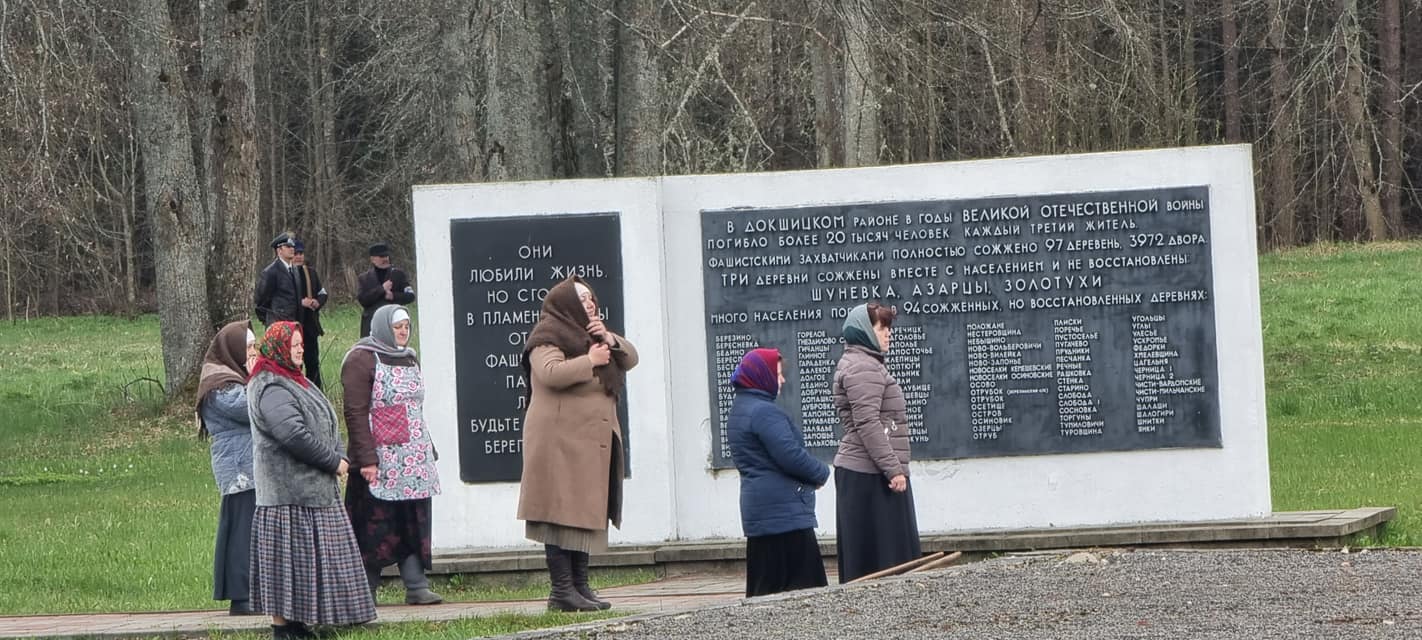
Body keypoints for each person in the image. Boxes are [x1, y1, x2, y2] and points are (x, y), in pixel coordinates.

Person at [517, 276, 638, 612]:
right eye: (581, 297)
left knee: (583, 512)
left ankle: (580, 587)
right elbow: (550, 373)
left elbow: (631, 358)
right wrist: (591, 361)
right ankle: (562, 591)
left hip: (587, 441)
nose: (589, 303)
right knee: (559, 515)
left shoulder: (594, 337)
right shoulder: (547, 335)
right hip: (558, 441)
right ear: (565, 302)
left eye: (591, 297)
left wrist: (608, 338)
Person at [247, 322, 375, 639]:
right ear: (278, 347)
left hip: (312, 492)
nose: (300, 348)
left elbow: (327, 422)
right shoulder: (270, 386)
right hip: (287, 495)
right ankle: (285, 629)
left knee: (309, 568)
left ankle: (303, 624)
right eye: (294, 343)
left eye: (302, 343)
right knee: (286, 569)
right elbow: (292, 434)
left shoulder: (296, 380)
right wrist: (333, 462)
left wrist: (340, 454)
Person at [341, 304, 443, 606]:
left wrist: (429, 448)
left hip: (413, 460)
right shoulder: (360, 359)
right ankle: (365, 589)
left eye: (406, 325)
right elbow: (355, 412)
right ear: (383, 326)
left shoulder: (409, 357)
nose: (402, 331)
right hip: (379, 459)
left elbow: (416, 410)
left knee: (411, 521)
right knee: (375, 524)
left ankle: (415, 584)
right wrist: (367, 459)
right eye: (397, 325)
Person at [726, 347, 831, 597]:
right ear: (763, 376)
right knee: (807, 594)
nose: (782, 380)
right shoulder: (764, 412)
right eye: (779, 374)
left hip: (764, 514)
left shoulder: (741, 408)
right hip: (784, 516)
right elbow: (790, 455)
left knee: (765, 594)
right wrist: (821, 472)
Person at [832, 302, 920, 583]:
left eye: (888, 328)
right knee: (883, 562)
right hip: (869, 475)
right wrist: (893, 469)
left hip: (870, 472)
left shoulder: (865, 364)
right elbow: (868, 423)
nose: (888, 334)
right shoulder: (862, 367)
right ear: (864, 331)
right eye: (881, 327)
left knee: (881, 559)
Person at [196, 321, 261, 616]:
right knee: (240, 532)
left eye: (255, 347)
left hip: (252, 466)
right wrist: (263, 376)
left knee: (252, 530)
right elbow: (250, 406)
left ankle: (255, 591)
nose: (253, 353)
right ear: (232, 349)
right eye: (248, 347)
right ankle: (240, 595)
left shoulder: (239, 378)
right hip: (238, 469)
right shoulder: (219, 385)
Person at [355, 243, 415, 338]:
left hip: (394, 323)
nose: (385, 259)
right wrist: (381, 289)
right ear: (373, 259)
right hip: (371, 325)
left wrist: (394, 296)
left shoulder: (398, 274)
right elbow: (363, 300)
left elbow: (411, 296)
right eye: (381, 256)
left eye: (386, 256)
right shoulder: (364, 278)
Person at [292, 241, 329, 389]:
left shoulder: (311, 272)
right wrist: (301, 302)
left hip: (310, 327)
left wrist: (316, 302)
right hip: (294, 326)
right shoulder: (287, 274)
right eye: (296, 254)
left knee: (313, 363)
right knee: (295, 364)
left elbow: (322, 293)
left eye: (301, 254)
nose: (299, 257)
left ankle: (316, 393)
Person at [254, 232, 302, 326]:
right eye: (288, 246)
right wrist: (270, 321)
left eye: (292, 246)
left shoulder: (295, 270)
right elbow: (261, 301)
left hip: (295, 323)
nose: (292, 249)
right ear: (279, 250)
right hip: (278, 324)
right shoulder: (270, 272)